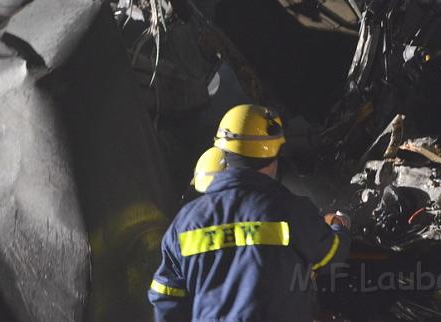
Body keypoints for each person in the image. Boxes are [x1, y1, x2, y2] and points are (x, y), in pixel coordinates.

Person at [148, 104, 351, 321]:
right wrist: (339, 225)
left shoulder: (185, 222)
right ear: (274, 154)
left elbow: (166, 296)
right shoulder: (291, 211)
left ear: (223, 151)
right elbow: (331, 255)